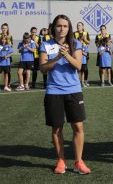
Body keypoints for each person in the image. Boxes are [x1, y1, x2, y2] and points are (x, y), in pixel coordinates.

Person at [39, 14, 91, 174]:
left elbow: (78, 66)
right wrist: (58, 57)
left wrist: (67, 55)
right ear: (54, 27)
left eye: (65, 26)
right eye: (59, 25)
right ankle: (61, 160)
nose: (62, 28)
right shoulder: (45, 45)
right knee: (56, 128)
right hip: (53, 91)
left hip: (73, 90)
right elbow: (43, 68)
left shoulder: (76, 43)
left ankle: (78, 162)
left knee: (78, 126)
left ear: (69, 28)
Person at [74, 22, 91, 86]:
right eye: (77, 25)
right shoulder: (74, 33)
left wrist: (84, 39)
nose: (78, 27)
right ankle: (76, 81)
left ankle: (85, 81)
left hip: (85, 51)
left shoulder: (86, 33)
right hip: (77, 51)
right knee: (77, 67)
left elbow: (88, 42)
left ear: (83, 27)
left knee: (85, 67)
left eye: (79, 25)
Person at [1, 23, 13, 88]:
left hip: (7, 56)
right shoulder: (0, 36)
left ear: (7, 29)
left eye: (5, 28)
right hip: (1, 56)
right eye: (3, 28)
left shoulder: (10, 36)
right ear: (1, 29)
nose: (4, 29)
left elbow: (11, 45)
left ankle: (8, 84)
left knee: (7, 71)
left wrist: (7, 40)